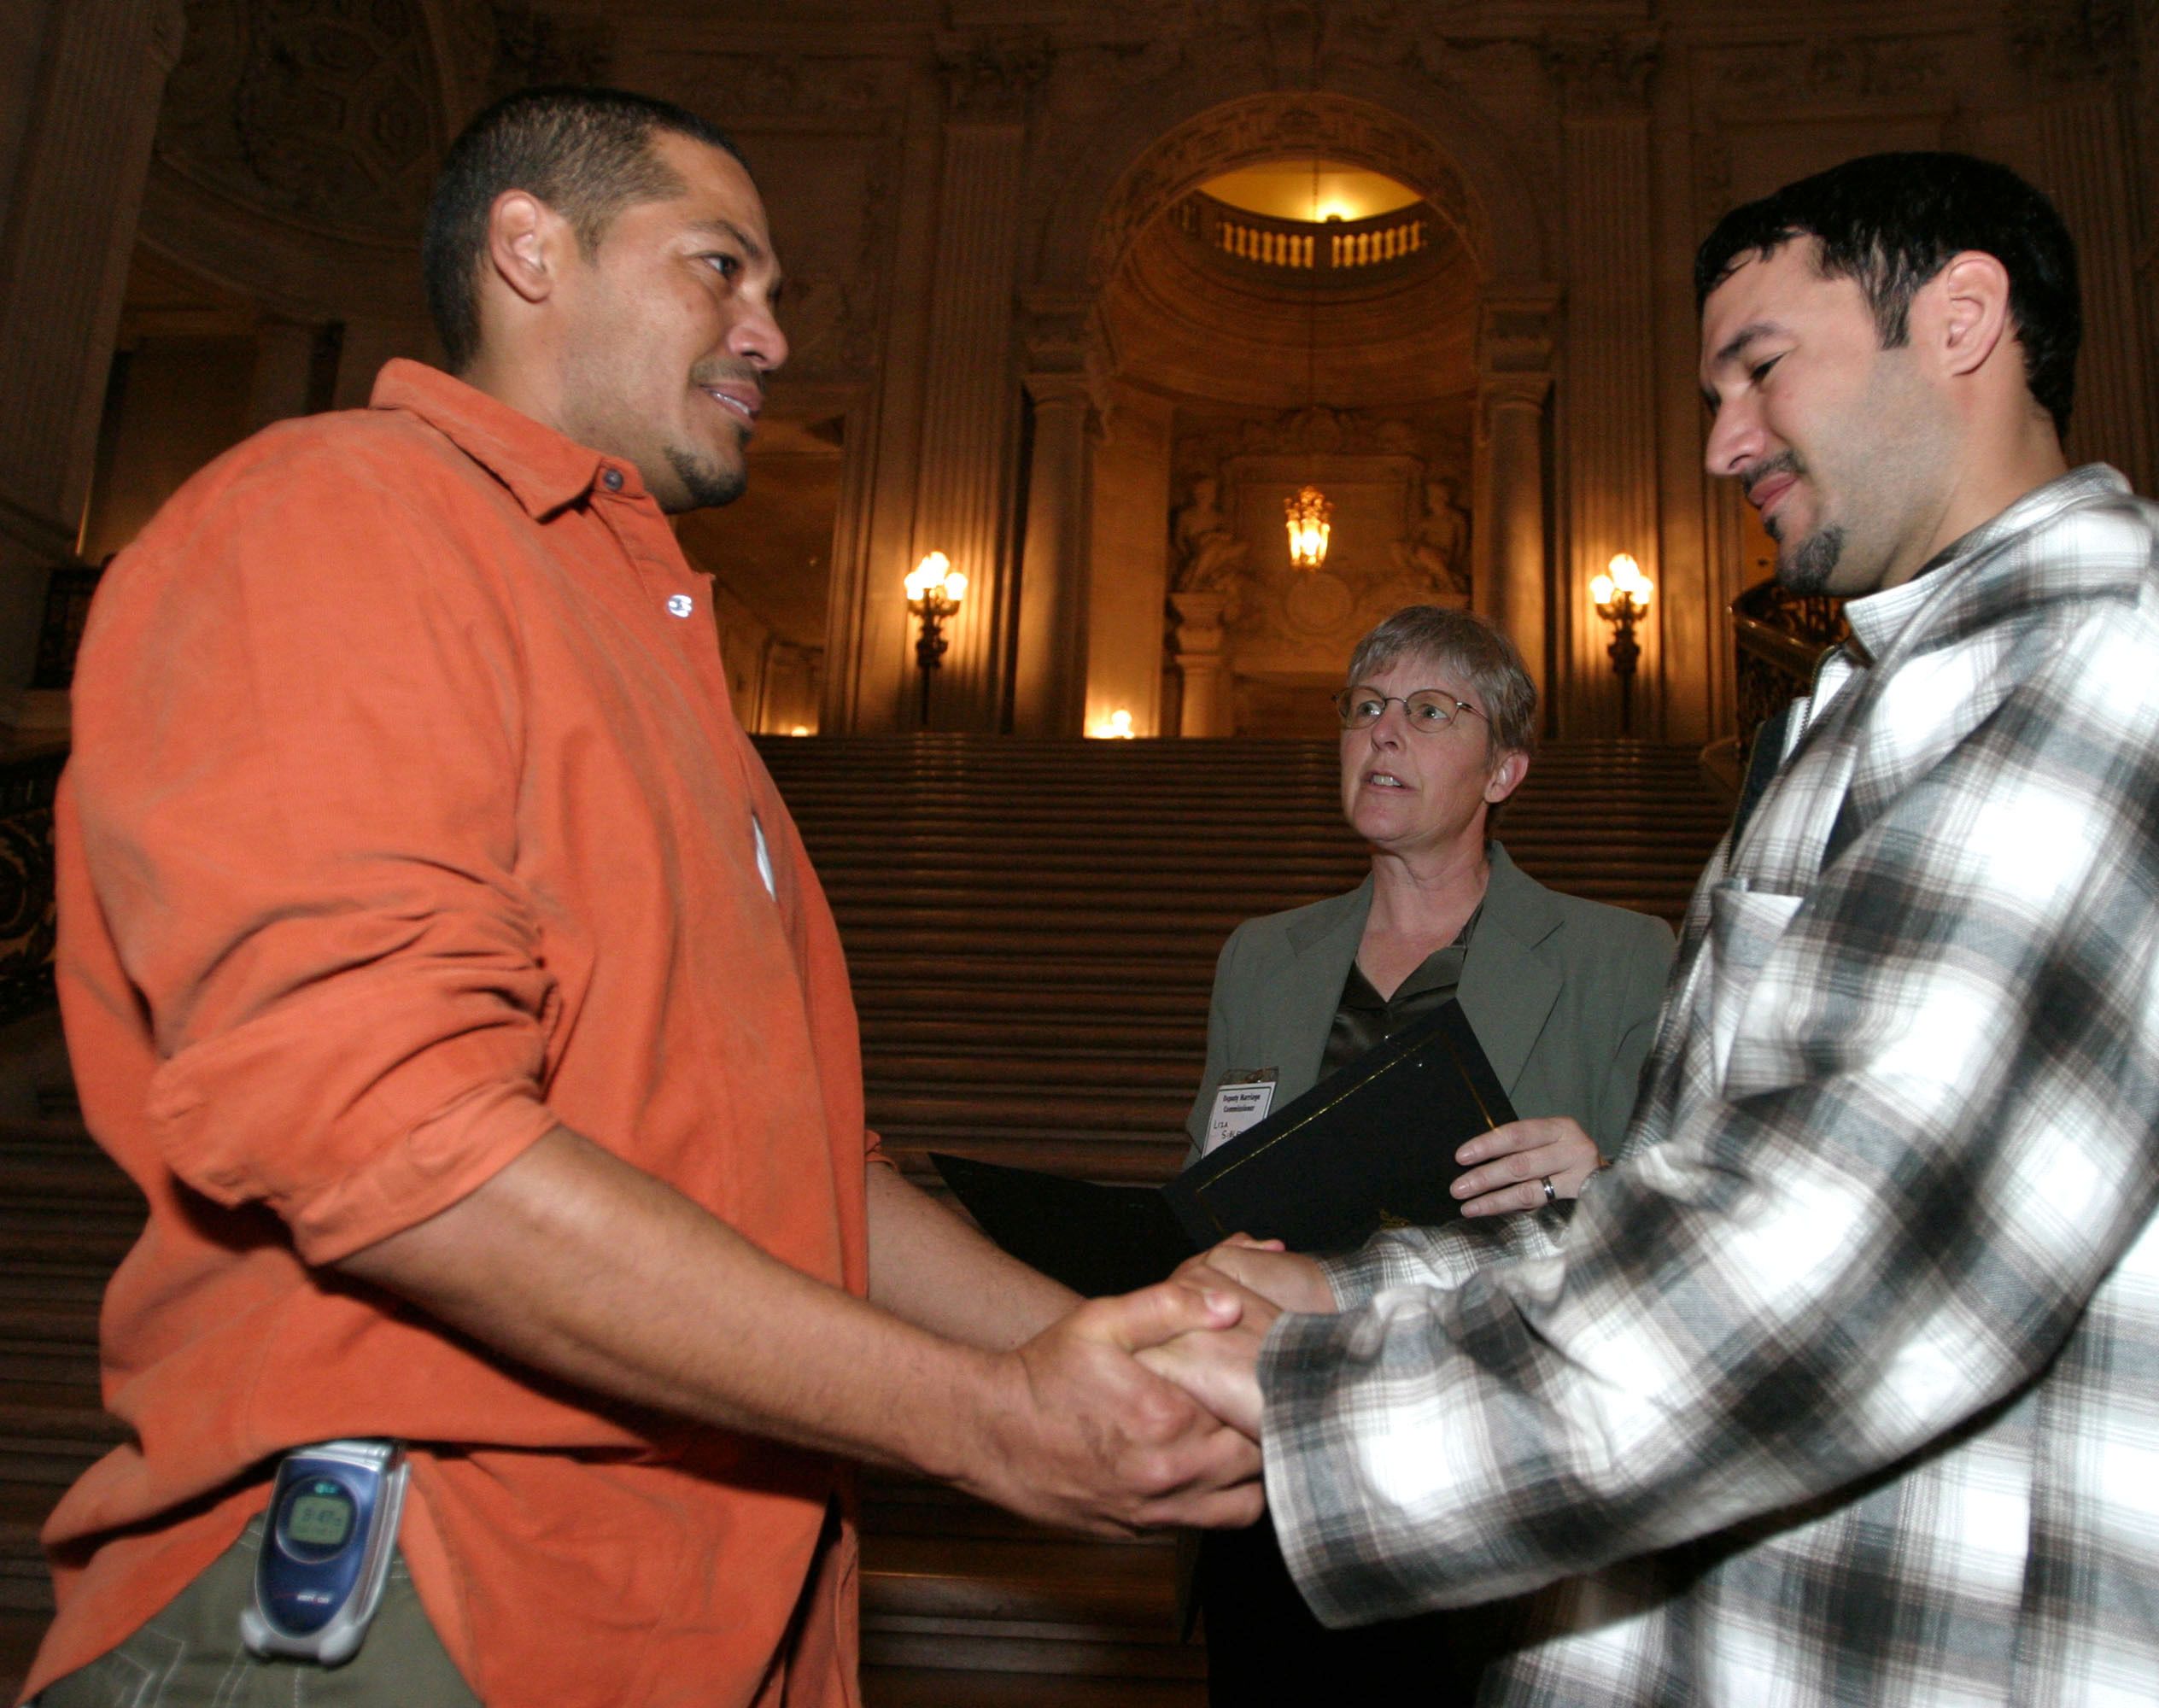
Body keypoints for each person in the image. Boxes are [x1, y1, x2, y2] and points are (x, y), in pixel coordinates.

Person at [25, 87, 1258, 1708]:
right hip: (410, 1609)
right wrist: (982, 1418)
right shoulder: (335, 514)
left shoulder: (655, 655)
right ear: (530, 250)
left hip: (709, 1615)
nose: (769, 336)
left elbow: (810, 1180)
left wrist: (1129, 1346)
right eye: (720, 268)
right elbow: (399, 1144)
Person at [1144, 150, 2159, 1704]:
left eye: (1761, 370)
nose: (1723, 441)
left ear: (1962, 318)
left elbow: (1849, 1267)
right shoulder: (1862, 706)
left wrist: (1308, 1392)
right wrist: (1352, 1290)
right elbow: (1712, 1194)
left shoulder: (2125, 651)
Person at [1184, 603, 1673, 1705]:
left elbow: (1693, 1226)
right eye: (1365, 708)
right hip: (1284, 1460)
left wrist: (1599, 1181)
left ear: (1504, 771)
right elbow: (1214, 1178)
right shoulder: (1261, 959)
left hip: (1492, 1459)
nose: (1383, 732)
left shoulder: (1620, 957)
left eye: (1429, 710)